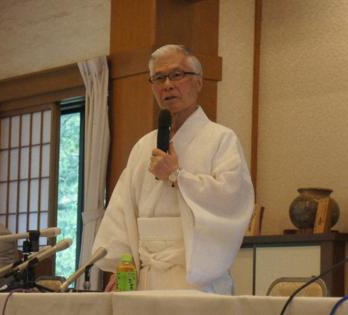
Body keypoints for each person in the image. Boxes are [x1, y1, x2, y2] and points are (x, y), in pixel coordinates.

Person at [92, 44, 254, 294]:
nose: (167, 85)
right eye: (158, 78)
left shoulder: (222, 139)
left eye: (177, 75)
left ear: (199, 82)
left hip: (195, 276)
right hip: (146, 276)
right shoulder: (143, 146)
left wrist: (178, 176)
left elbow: (232, 199)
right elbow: (122, 210)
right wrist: (120, 265)